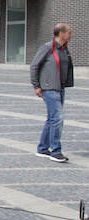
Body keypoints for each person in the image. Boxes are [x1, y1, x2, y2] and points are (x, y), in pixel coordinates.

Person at [31, 22, 74, 163]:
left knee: (52, 119)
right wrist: (36, 85)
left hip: (60, 88)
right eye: (69, 32)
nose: (70, 35)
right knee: (57, 118)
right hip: (49, 88)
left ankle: (42, 149)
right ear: (61, 33)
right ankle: (55, 151)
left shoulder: (63, 49)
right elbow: (34, 65)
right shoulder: (48, 48)